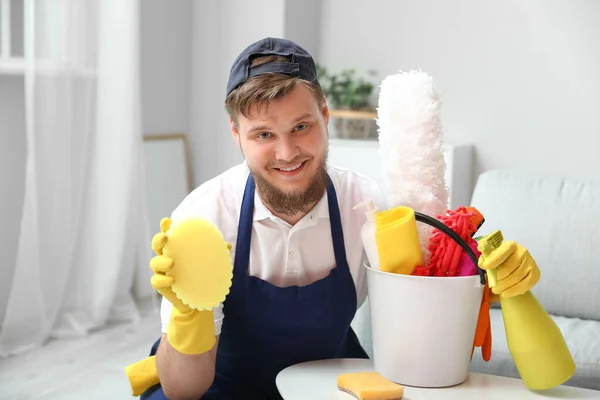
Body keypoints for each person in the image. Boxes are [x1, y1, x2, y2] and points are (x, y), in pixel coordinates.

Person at [139, 37, 540, 400]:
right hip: (221, 387)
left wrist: (481, 279)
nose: (286, 152)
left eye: (301, 126)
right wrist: (189, 315)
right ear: (236, 133)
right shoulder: (204, 216)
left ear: (325, 115)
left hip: (326, 383)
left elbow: (422, 323)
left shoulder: (366, 207)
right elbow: (183, 391)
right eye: (263, 135)